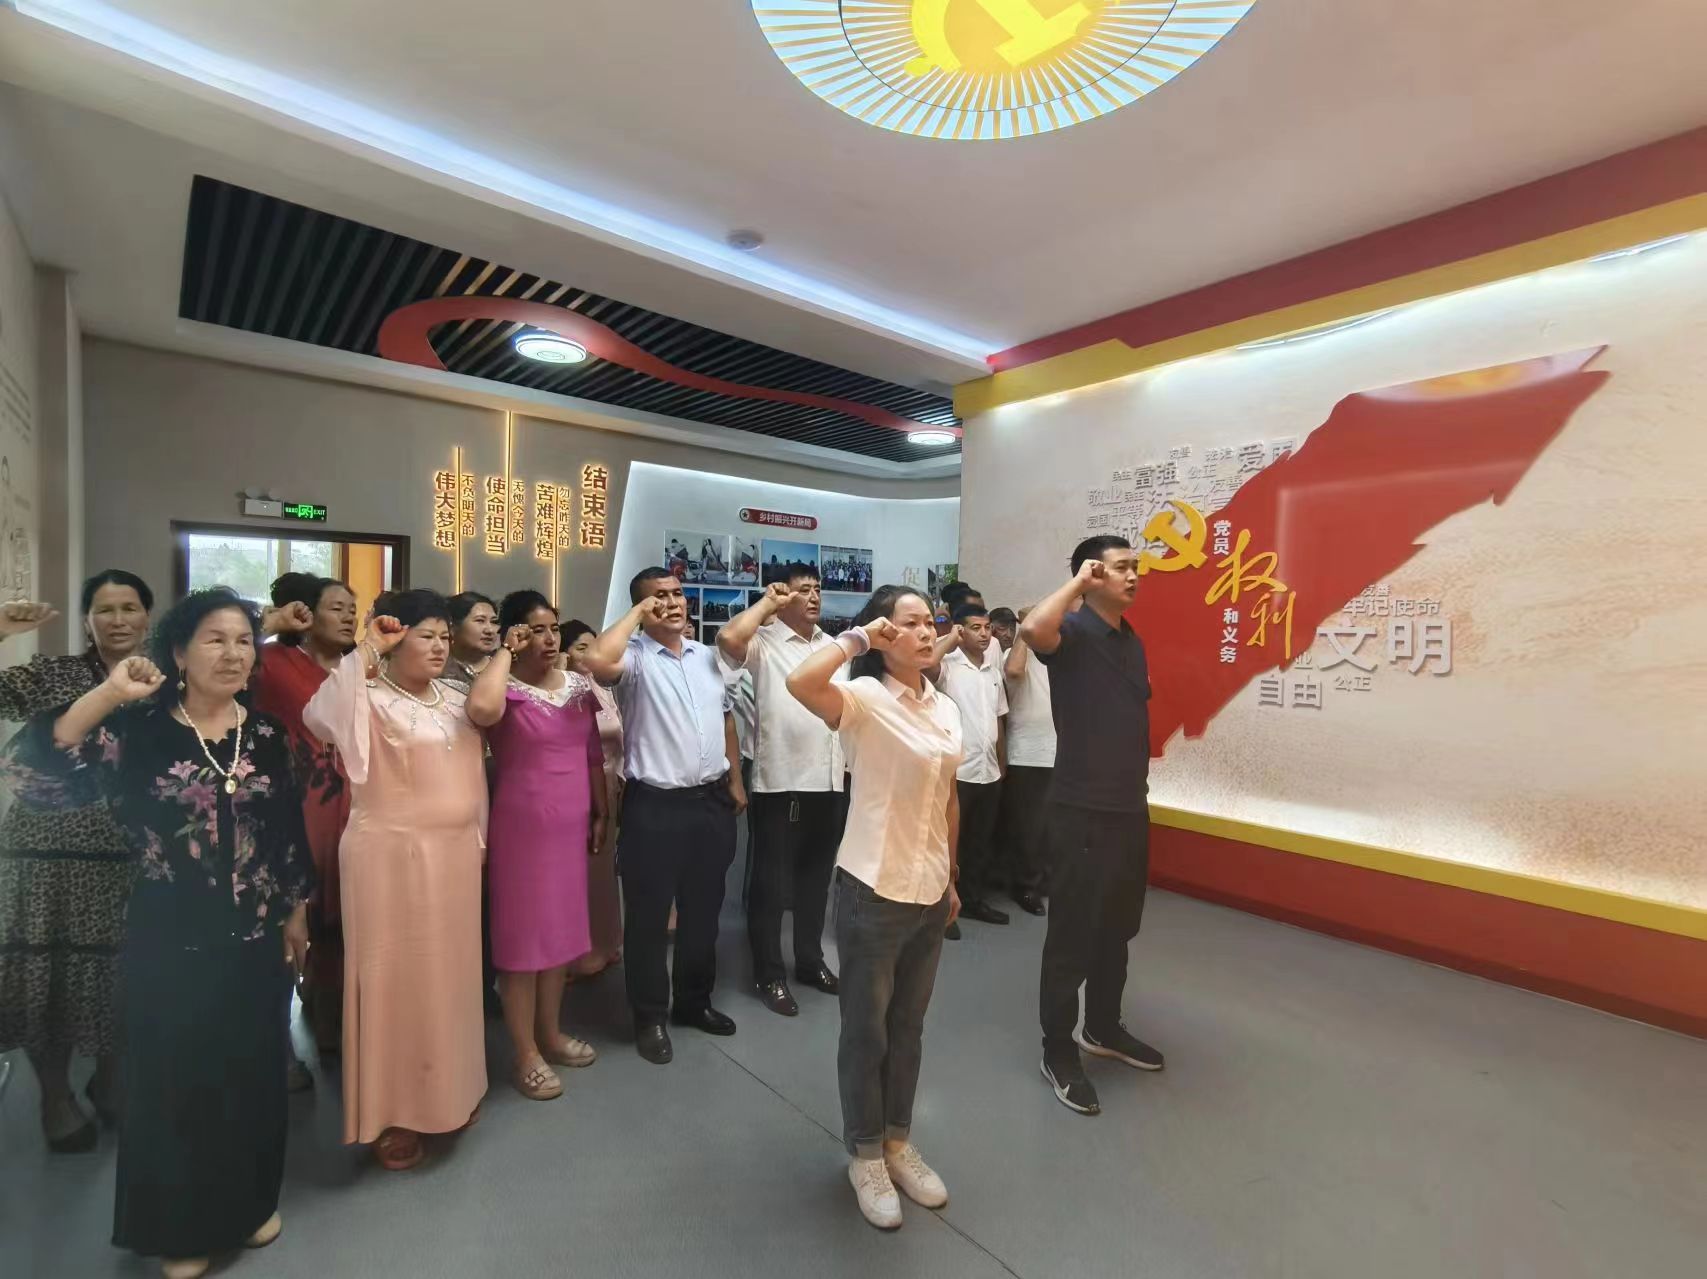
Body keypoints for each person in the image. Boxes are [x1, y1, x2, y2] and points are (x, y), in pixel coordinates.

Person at [9, 587, 312, 1279]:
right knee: (176, 1083)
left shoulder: (266, 735)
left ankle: (247, 1204)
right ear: (177, 652)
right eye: (214, 639)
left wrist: (295, 909)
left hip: (255, 939)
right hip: (168, 939)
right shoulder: (138, 730)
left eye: (243, 640)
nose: (233, 653)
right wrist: (110, 693)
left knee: (250, 1076)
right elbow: (37, 769)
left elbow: (285, 831)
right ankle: (181, 1228)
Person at [785, 584, 961, 1231]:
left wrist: (951, 875)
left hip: (928, 888)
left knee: (908, 1027)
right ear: (884, 633)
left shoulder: (944, 705)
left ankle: (896, 1141)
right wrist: (858, 637)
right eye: (908, 623)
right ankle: (864, 1154)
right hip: (873, 887)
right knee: (867, 1031)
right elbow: (801, 682)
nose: (924, 631)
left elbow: (948, 796)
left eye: (929, 622)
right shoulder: (863, 697)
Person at [303, 589, 487, 1169]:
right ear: (394, 637)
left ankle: (450, 1092)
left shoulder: (455, 698)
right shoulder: (368, 697)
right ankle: (394, 1112)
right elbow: (319, 717)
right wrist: (366, 650)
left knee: (450, 979)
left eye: (443, 636)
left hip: (454, 856)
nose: (438, 646)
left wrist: (479, 838)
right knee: (396, 983)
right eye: (424, 635)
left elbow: (475, 776)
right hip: (390, 858)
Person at [0, 571, 152, 1152]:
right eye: (104, 609)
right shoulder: (53, 674)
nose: (118, 620)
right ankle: (55, 1096)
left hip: (129, 852)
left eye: (129, 607)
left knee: (122, 974)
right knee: (51, 976)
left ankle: (111, 1079)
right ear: (87, 619)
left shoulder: (164, 680)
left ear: (147, 617)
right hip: (47, 852)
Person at [1020, 536, 1165, 1118]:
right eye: (1121, 568)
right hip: (1080, 808)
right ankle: (1057, 1049)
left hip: (1129, 806)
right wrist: (1078, 583)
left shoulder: (1131, 640)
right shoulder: (1073, 632)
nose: (1134, 576)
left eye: (1136, 568)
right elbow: (1032, 629)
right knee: (1072, 934)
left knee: (1118, 927)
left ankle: (1102, 1026)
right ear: (1094, 574)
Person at [578, 568, 747, 1066]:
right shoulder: (632, 659)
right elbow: (596, 661)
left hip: (710, 803)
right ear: (641, 607)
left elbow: (726, 721)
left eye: (676, 594)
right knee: (649, 919)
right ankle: (649, 1016)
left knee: (703, 912)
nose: (671, 603)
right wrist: (636, 614)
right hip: (654, 806)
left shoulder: (708, 657)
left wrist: (735, 779)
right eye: (658, 598)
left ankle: (694, 1001)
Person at [468, 591, 606, 1102]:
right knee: (523, 943)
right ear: (516, 634)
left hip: (571, 828)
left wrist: (601, 812)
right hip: (522, 832)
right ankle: (524, 1051)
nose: (549, 639)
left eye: (553, 628)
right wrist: (504, 652)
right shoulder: (500, 687)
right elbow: (481, 712)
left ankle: (549, 1033)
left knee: (561, 937)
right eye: (536, 630)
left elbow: (592, 753)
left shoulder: (578, 688)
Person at [718, 569, 846, 1018]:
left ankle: (810, 961)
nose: (813, 597)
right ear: (783, 597)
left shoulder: (831, 646)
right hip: (780, 780)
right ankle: (769, 974)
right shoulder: (763, 642)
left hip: (829, 780)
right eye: (803, 590)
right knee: (770, 887)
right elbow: (727, 638)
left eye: (817, 590)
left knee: (816, 881)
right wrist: (767, 604)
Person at [251, 573, 356, 1069]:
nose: (349, 616)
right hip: (293, 801)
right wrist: (273, 621)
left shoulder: (363, 667)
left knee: (344, 912)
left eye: (353, 608)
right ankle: (276, 1040)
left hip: (354, 802)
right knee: (290, 911)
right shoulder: (273, 662)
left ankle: (328, 1011)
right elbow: (217, 650)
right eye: (337, 607)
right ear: (307, 615)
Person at [931, 602, 1009, 930]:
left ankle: (973, 901)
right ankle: (942, 911)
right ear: (961, 631)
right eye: (975, 628)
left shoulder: (992, 670)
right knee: (950, 843)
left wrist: (1002, 761)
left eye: (987, 628)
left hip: (988, 770)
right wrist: (950, 637)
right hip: (957, 772)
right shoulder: (948, 666)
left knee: (979, 842)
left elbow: (998, 718)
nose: (984, 634)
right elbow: (926, 663)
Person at [562, 620, 623, 975]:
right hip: (581, 787)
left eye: (594, 647)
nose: (590, 655)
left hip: (612, 785)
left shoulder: (602, 687)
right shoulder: (565, 691)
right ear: (564, 653)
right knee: (580, 872)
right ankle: (577, 954)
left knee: (603, 871)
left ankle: (605, 941)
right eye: (581, 648)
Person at [998, 606, 1054, 916]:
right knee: (1028, 827)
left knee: (1051, 826)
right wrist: (1025, 631)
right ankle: (1025, 886)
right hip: (1027, 753)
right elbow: (1014, 672)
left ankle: (1045, 880)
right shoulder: (1016, 654)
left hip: (1059, 751)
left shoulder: (1055, 655)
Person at [442, 591, 500, 690]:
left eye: (494, 622)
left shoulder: (504, 666)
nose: (490, 630)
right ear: (452, 627)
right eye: (480, 620)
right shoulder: (439, 670)